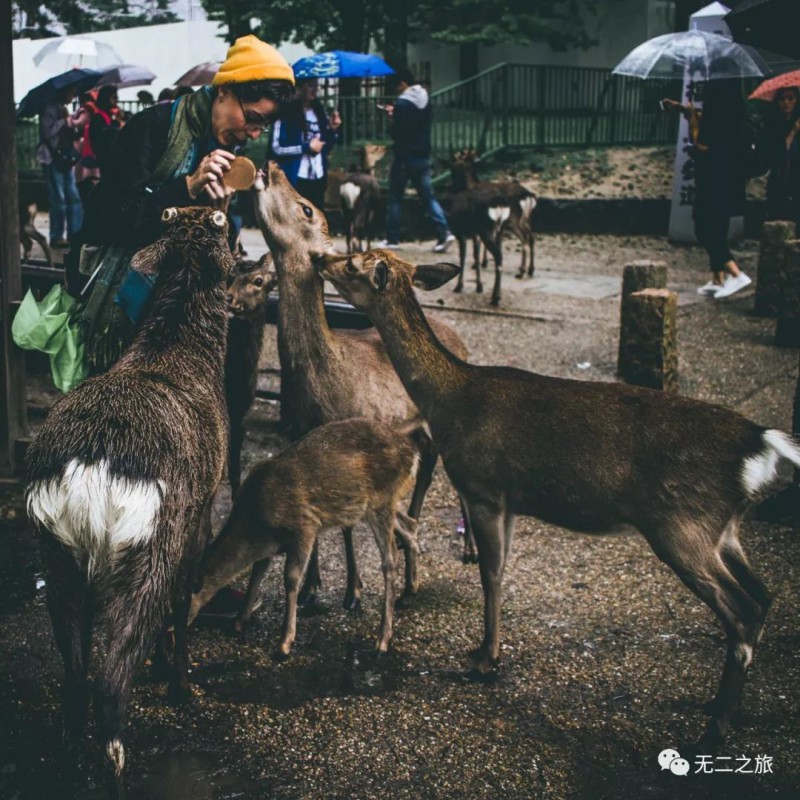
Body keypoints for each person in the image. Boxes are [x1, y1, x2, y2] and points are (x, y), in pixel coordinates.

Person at [69, 34, 295, 369]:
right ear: (225, 91)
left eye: (263, 126)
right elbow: (112, 220)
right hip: (124, 308)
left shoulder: (227, 148)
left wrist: (219, 213)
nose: (253, 133)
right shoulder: (152, 127)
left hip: (178, 315)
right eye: (252, 117)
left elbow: (219, 254)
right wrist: (186, 187)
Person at [662, 79, 753, 299]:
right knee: (717, 225)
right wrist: (685, 110)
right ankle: (717, 278)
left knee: (703, 226)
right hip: (728, 179)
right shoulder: (734, 112)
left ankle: (735, 272)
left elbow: (701, 144)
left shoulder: (718, 113)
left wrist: (692, 121)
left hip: (712, 178)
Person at [378, 68, 454, 252]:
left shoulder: (403, 103)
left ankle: (392, 239)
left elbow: (398, 131)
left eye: (398, 87)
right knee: (428, 197)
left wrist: (392, 116)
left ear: (403, 84)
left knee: (396, 198)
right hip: (422, 156)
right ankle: (444, 232)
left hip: (404, 157)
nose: (397, 91)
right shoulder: (425, 99)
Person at [271, 77, 341, 212]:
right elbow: (276, 148)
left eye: (317, 85)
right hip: (295, 178)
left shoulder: (320, 113)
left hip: (317, 177)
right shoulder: (285, 113)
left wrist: (332, 130)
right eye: (310, 85)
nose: (315, 89)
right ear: (300, 87)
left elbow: (325, 148)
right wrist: (305, 148)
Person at [36, 86, 83, 247]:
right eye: (71, 92)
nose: (73, 96)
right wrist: (63, 121)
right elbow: (46, 133)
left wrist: (70, 121)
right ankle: (57, 235)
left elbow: (71, 132)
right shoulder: (50, 109)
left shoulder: (63, 109)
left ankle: (75, 234)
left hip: (64, 158)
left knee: (73, 197)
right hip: (52, 158)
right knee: (59, 199)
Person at [759, 86, 800, 224]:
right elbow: (770, 150)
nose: (786, 103)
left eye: (790, 98)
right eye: (782, 99)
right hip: (778, 175)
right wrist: (792, 132)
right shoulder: (772, 124)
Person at [88, 84, 123, 174]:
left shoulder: (107, 116)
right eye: (114, 97)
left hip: (109, 158)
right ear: (105, 99)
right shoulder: (99, 117)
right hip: (106, 159)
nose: (117, 100)